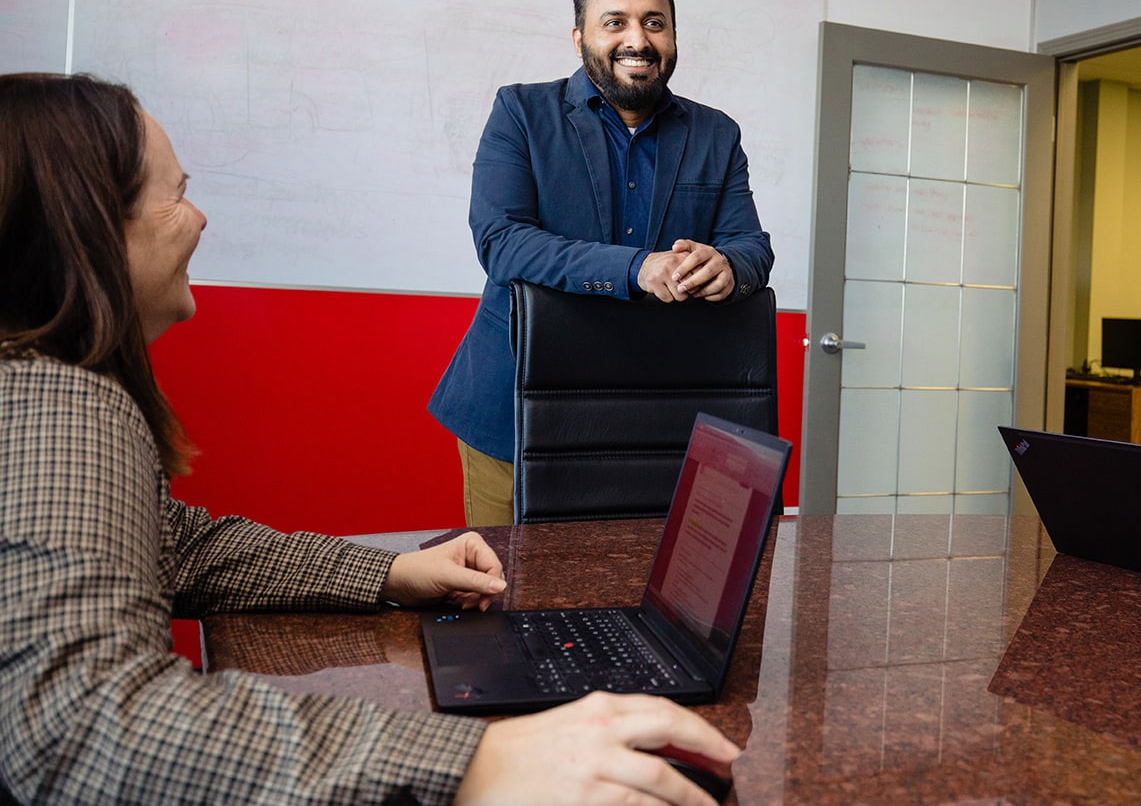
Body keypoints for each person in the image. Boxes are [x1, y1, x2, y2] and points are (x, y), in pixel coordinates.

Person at [0, 73, 738, 804]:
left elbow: (177, 546)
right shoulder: (57, 400)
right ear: (90, 223)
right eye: (176, 193)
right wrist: (477, 762)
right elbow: (83, 727)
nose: (198, 220)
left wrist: (388, 575)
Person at [430, 0, 774, 526]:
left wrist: (730, 266)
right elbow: (502, 241)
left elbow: (751, 245)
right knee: (507, 594)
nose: (637, 39)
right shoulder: (520, 112)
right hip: (514, 413)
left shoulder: (717, 132)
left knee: (639, 593)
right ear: (579, 37)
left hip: (656, 419)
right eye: (615, 22)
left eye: (654, 22)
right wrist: (636, 268)